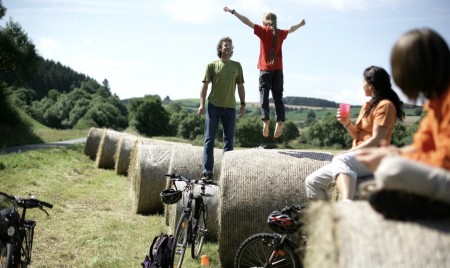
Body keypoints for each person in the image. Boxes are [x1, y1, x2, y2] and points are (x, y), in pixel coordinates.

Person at [356, 28, 450, 220]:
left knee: (391, 170)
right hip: (441, 175)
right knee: (383, 174)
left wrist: (394, 156)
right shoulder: (434, 103)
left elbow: (444, 160)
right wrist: (395, 152)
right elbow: (422, 146)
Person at [305, 66, 405, 202]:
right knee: (312, 181)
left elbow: (376, 140)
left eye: (363, 82)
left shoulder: (385, 106)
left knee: (341, 159)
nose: (361, 85)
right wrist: (346, 123)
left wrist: (348, 152)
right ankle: (326, 219)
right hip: (360, 156)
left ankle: (347, 204)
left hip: (375, 157)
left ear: (371, 84)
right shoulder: (368, 106)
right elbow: (357, 136)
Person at [223, 6, 305, 138]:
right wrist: (301, 24)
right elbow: (292, 29)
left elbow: (246, 21)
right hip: (278, 70)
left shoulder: (263, 31)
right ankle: (280, 121)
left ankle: (266, 120)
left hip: (265, 70)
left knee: (264, 95)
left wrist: (233, 12)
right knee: (278, 96)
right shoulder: (280, 33)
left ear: (265, 22)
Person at [198, 37, 246, 179]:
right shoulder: (211, 65)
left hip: (230, 108)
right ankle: (207, 172)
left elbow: (241, 86)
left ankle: (227, 172)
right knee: (209, 139)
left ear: (232, 49)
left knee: (229, 140)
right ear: (220, 48)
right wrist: (202, 104)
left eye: (230, 45)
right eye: (225, 45)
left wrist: (243, 104)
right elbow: (205, 86)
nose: (228, 47)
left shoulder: (237, 66)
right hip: (213, 106)